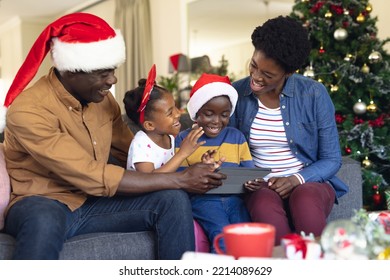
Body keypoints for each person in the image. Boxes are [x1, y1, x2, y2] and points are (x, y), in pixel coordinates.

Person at [0, 12, 225, 260]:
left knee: (172, 200)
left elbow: (132, 150)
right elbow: (89, 172)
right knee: (42, 221)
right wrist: (181, 179)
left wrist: (189, 164)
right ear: (70, 70)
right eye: (103, 72)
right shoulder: (28, 109)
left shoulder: (103, 101)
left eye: (113, 70)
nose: (113, 79)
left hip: (92, 202)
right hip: (42, 201)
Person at [229, 15, 349, 245]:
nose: (255, 77)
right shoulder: (236, 93)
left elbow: (332, 159)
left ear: (289, 73)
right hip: (260, 183)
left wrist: (296, 179)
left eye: (268, 75)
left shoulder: (314, 94)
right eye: (254, 65)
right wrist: (245, 177)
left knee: (304, 199)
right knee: (263, 203)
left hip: (309, 181)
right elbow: (229, 149)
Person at [175, 73, 254, 253]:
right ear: (196, 114)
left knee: (246, 235)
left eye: (224, 115)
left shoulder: (236, 137)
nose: (217, 121)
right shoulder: (184, 139)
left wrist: (254, 182)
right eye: (209, 114)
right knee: (223, 236)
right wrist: (202, 168)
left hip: (235, 200)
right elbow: (179, 178)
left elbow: (249, 172)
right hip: (203, 201)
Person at [123, 64, 206, 173]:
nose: (178, 114)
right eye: (170, 112)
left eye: (175, 106)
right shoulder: (141, 143)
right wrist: (182, 153)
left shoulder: (171, 137)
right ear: (150, 125)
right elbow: (148, 181)